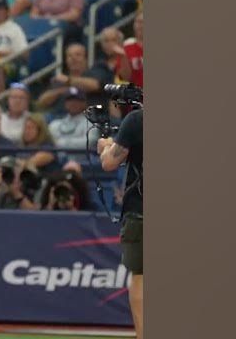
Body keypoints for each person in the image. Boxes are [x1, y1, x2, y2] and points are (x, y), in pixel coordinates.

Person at [98, 101, 143, 337]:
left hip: (141, 209)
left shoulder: (138, 119)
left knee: (142, 274)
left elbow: (110, 162)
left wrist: (106, 145)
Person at [35, 41, 109, 111]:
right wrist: (60, 91)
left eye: (78, 55)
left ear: (86, 58)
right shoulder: (61, 80)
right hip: (61, 118)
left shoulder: (95, 73)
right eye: (69, 56)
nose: (73, 58)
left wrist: (69, 80)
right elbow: (41, 103)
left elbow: (95, 85)